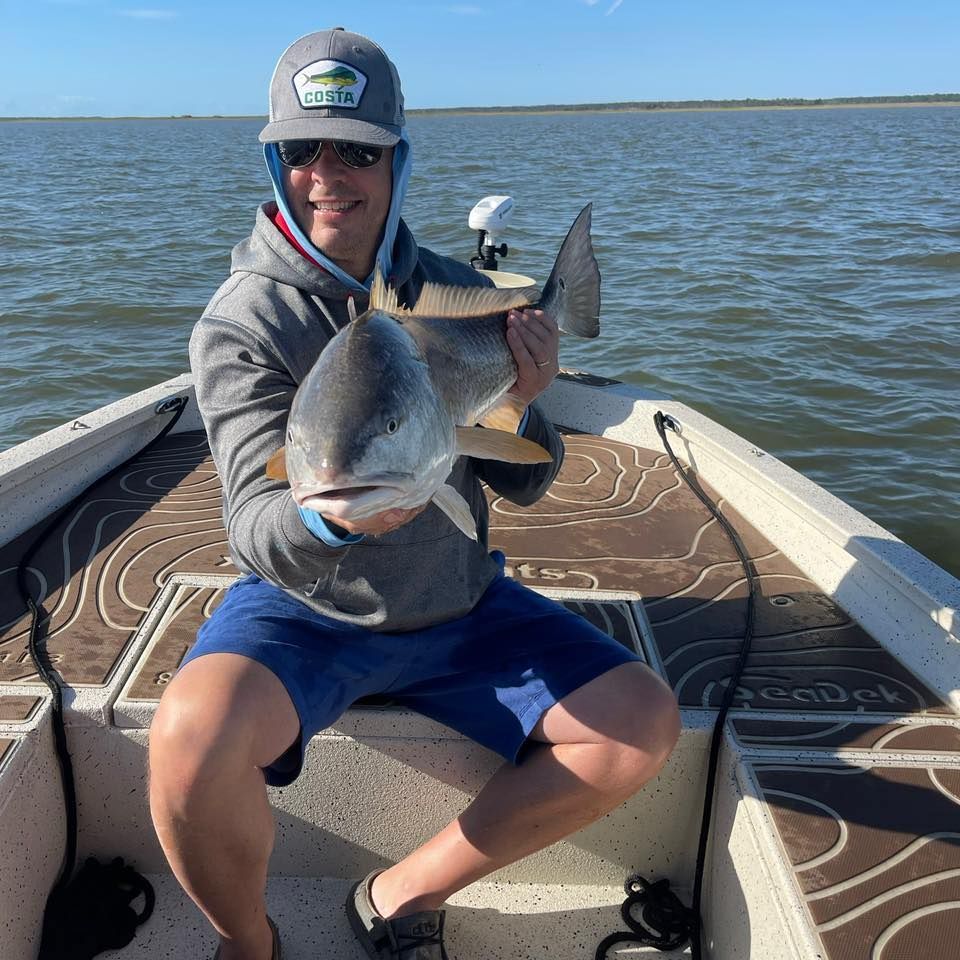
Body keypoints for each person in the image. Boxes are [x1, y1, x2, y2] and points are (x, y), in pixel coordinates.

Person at [148, 26, 681, 960]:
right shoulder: (242, 324)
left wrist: (525, 398)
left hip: (460, 604)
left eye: (357, 151)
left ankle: (399, 896)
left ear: (398, 160)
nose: (327, 174)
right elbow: (253, 527)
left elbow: (529, 483)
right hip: (306, 609)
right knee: (187, 743)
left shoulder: (459, 292)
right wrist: (329, 522)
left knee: (640, 724)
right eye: (301, 149)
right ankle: (249, 942)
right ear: (274, 163)